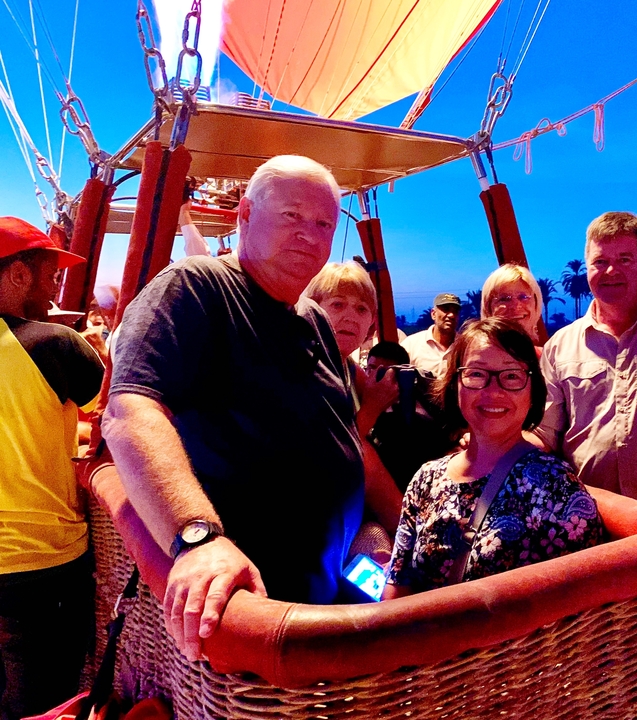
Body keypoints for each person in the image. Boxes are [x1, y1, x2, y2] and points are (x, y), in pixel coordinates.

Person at [103, 155, 364, 663]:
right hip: (241, 610)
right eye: (291, 215)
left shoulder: (314, 320)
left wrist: (382, 530)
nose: (308, 234)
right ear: (245, 214)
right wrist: (197, 539)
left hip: (319, 603)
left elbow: (344, 439)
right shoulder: (196, 286)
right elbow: (129, 411)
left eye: (323, 224)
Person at [383, 318, 604, 598]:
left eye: (511, 376)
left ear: (533, 392)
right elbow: (397, 589)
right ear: (455, 384)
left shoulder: (557, 486)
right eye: (476, 374)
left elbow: (582, 604)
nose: (493, 391)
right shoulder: (426, 479)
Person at [0, 217, 104, 719]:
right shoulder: (54, 344)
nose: (54, 291)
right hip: (40, 565)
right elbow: (118, 411)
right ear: (18, 274)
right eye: (49, 277)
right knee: (44, 705)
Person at [534, 212, 637, 511]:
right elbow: (546, 434)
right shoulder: (559, 346)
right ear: (587, 267)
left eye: (624, 259)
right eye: (600, 261)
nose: (611, 271)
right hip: (584, 517)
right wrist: (489, 445)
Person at [302, 261, 403, 531]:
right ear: (312, 311)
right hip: (305, 492)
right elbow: (332, 449)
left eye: (361, 309)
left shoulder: (347, 366)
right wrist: (373, 406)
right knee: (365, 456)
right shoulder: (305, 365)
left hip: (342, 496)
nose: (350, 317)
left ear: (371, 325)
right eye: (337, 304)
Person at [364, 341, 456, 494]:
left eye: (386, 372)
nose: (376, 377)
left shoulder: (423, 405)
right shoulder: (355, 397)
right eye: (371, 369)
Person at [480, 263, 544, 344]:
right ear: (488, 307)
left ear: (536, 303)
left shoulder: (546, 351)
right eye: (504, 299)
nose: (516, 305)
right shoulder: (478, 350)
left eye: (523, 297)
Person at [401, 292, 461, 376]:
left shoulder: (465, 346)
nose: (451, 315)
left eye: (455, 311)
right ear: (433, 314)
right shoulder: (411, 345)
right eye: (446, 309)